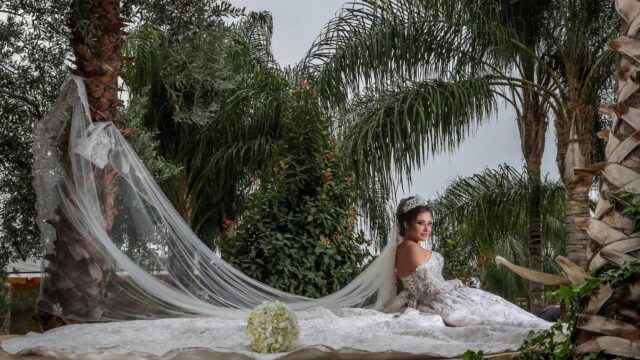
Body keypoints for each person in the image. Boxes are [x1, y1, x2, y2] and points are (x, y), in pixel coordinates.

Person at [387, 195, 551, 329]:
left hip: (436, 298)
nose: (426, 229)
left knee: (498, 310)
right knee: (497, 317)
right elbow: (430, 291)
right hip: (436, 301)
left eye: (429, 224)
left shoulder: (403, 247)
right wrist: (458, 283)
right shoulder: (411, 249)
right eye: (420, 223)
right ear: (406, 224)